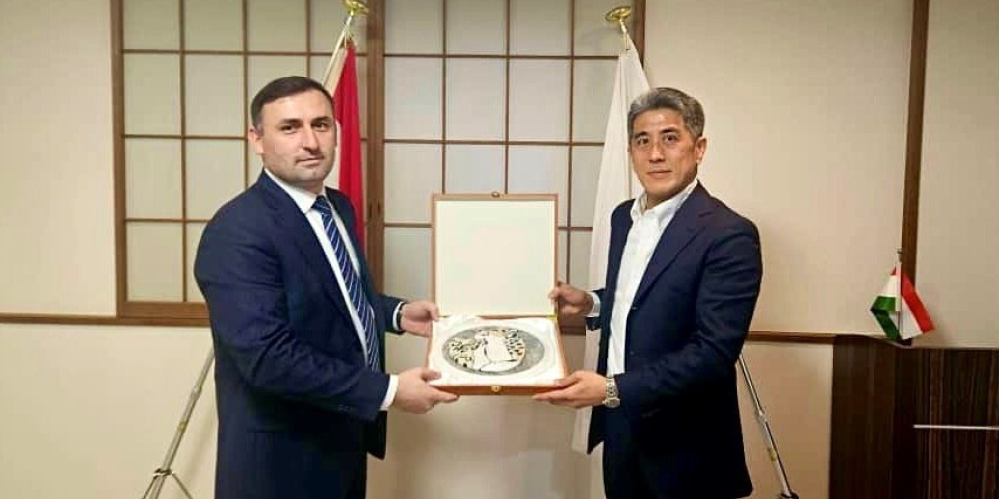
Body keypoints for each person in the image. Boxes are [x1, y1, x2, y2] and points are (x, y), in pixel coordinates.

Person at [194, 76, 458, 499]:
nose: (311, 142)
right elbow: (268, 358)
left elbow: (333, 294)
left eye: (320, 125)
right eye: (289, 128)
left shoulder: (337, 206)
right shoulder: (237, 231)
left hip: (343, 438)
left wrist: (394, 313)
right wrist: (389, 390)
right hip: (281, 461)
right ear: (257, 140)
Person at [535, 87, 762, 499]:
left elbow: (712, 352)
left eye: (670, 138)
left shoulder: (729, 233)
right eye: (643, 141)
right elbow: (640, 297)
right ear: (631, 151)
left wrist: (610, 388)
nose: (655, 154)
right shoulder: (623, 217)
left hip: (688, 446)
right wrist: (592, 303)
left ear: (699, 148)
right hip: (622, 430)